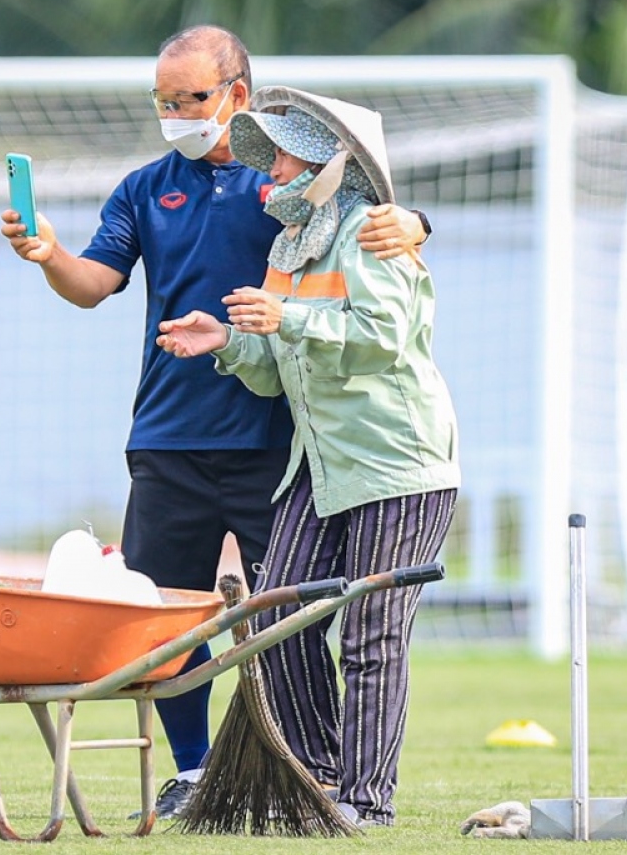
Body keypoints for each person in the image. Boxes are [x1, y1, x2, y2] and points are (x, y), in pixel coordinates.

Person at [0, 26, 429, 820]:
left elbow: (366, 216)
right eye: (161, 102)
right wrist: (49, 254)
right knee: (165, 614)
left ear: (237, 93)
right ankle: (195, 771)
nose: (172, 115)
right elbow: (95, 284)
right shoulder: (141, 188)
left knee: (291, 618)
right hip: (167, 435)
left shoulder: (288, 187)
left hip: (284, 439)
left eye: (187, 99)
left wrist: (419, 221)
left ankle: (311, 770)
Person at [154, 87, 460, 828]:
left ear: (330, 167)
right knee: (277, 623)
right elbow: (275, 365)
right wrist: (231, 343)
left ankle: (365, 803)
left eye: (288, 155)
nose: (274, 168)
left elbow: (383, 336)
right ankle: (318, 784)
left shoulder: (374, 232)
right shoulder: (287, 247)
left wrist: (285, 317)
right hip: (318, 467)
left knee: (370, 634)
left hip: (396, 463)